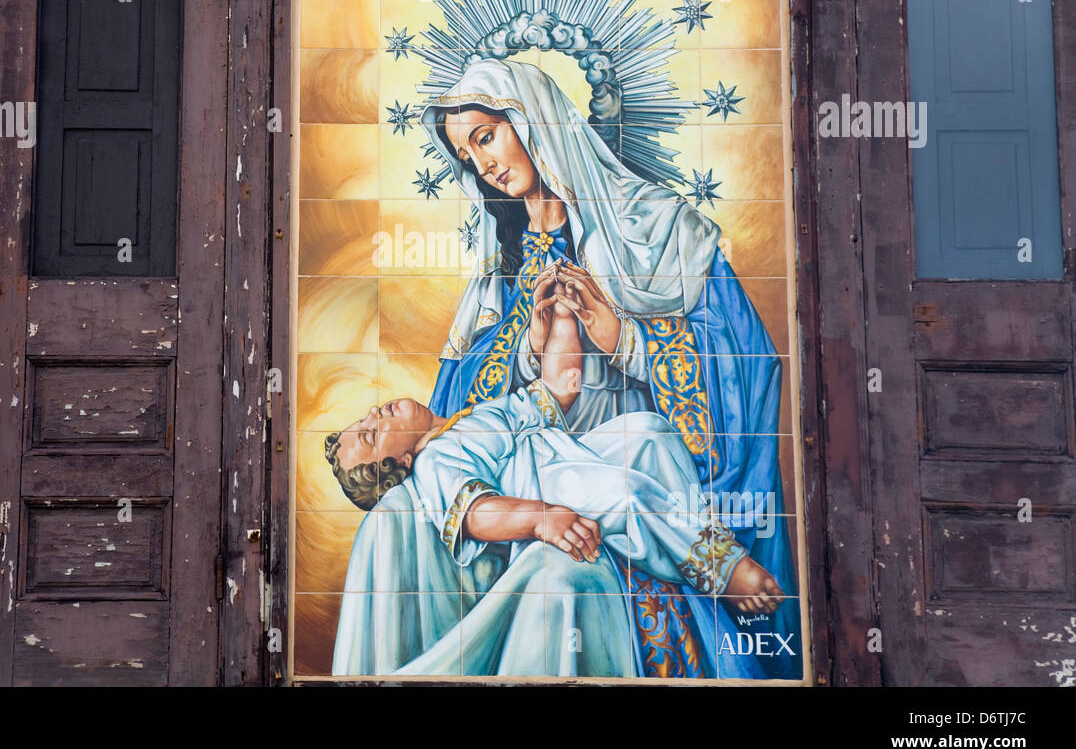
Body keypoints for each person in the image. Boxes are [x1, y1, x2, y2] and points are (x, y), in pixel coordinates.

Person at [335, 57, 799, 679]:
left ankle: (713, 562)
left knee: (645, 446)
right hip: (546, 483)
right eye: (470, 155)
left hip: (636, 451)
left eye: (487, 136)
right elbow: (490, 408)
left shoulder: (655, 229)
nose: (486, 164)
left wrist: (626, 339)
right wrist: (527, 342)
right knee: (403, 522)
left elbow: (745, 362)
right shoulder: (499, 279)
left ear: (534, 118)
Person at [325, 291, 786, 616]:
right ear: (399, 464)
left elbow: (555, 391)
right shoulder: (435, 463)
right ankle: (721, 571)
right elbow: (476, 514)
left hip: (569, 454)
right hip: (550, 485)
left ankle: (682, 544)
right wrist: (541, 517)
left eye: (363, 419)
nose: (372, 414)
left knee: (649, 433)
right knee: (625, 493)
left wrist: (561, 318)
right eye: (370, 433)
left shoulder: (463, 421)